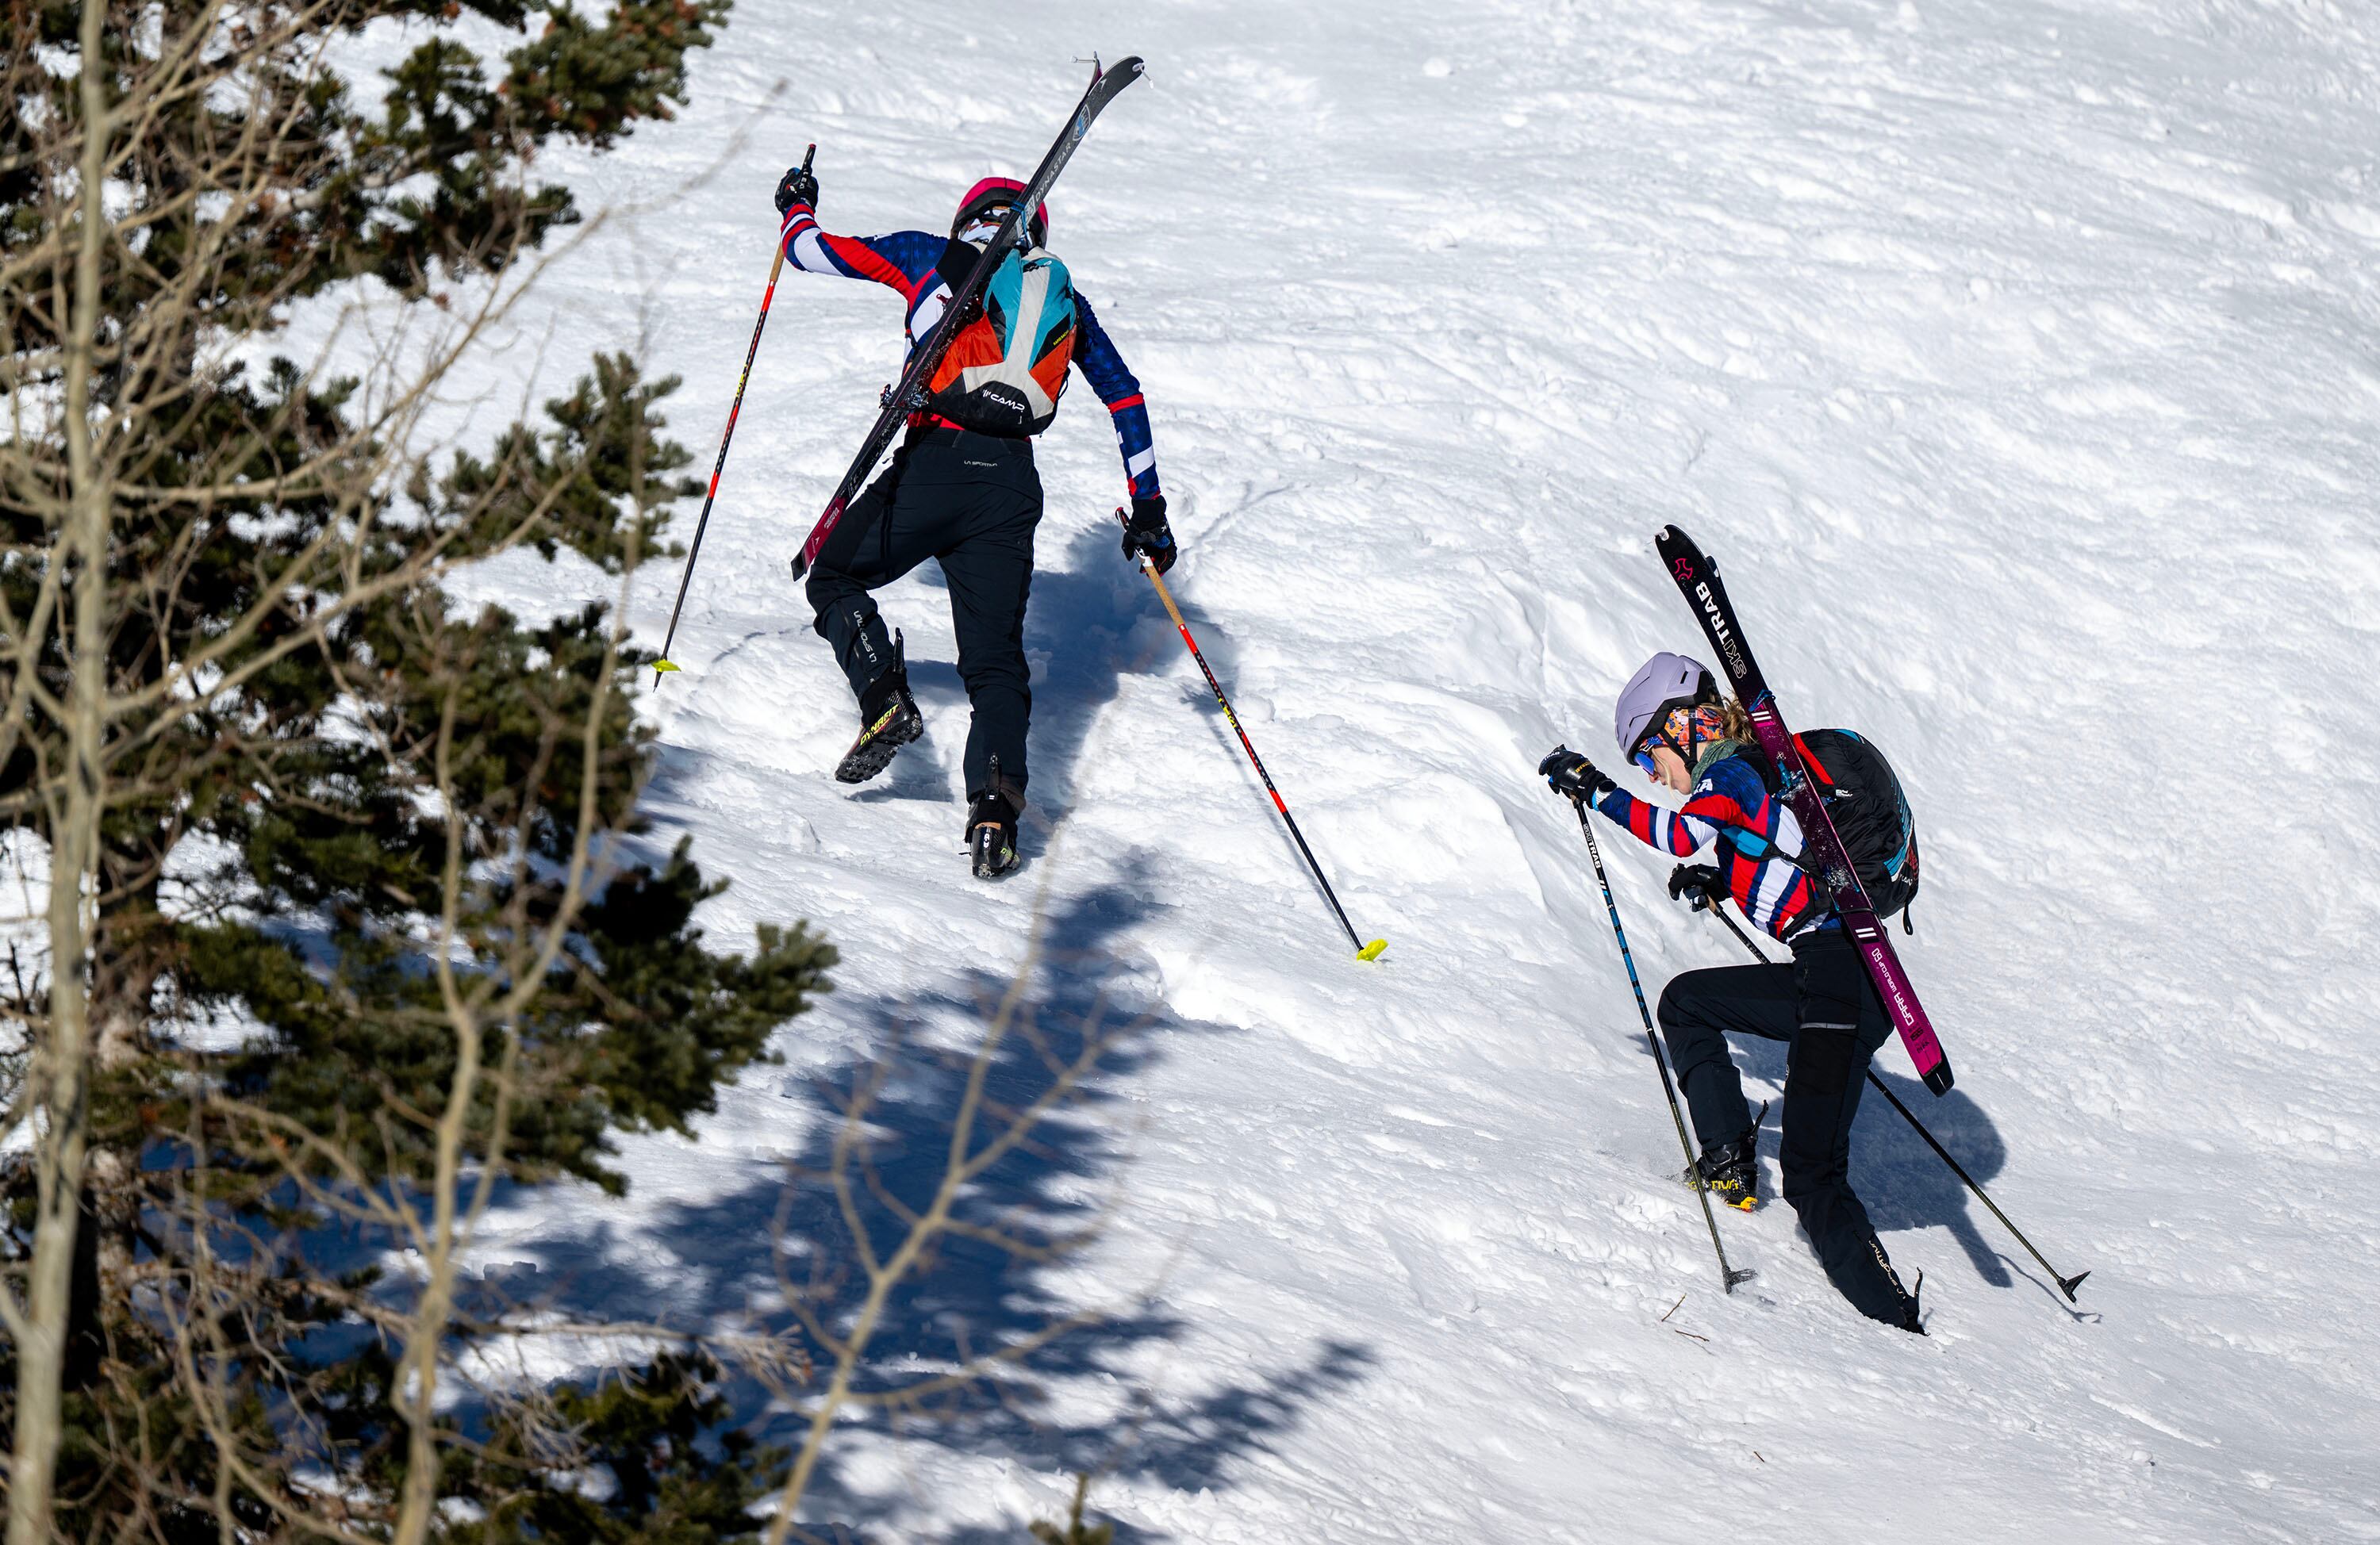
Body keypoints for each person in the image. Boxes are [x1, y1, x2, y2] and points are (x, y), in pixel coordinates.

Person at [773, 162, 1174, 877]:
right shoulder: (1062, 300)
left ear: (969, 221)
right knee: (995, 666)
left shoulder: (927, 254)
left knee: (832, 574)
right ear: (1034, 236)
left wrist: (796, 207)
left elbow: (809, 252)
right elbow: (1126, 398)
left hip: (934, 462)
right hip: (1010, 490)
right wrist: (1148, 512)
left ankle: (884, 698)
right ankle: (994, 817)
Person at [1540, 652, 1924, 1332]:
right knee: (1686, 1002)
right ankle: (1727, 1167)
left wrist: (1596, 789)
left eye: (1648, 754)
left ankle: (1896, 1324)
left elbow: (1681, 831)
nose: (1650, 772)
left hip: (1843, 979)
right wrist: (1722, 880)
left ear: (1682, 725)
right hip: (1828, 975)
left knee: (1813, 1177)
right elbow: (1781, 855)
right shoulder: (1757, 780)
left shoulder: (1733, 770)